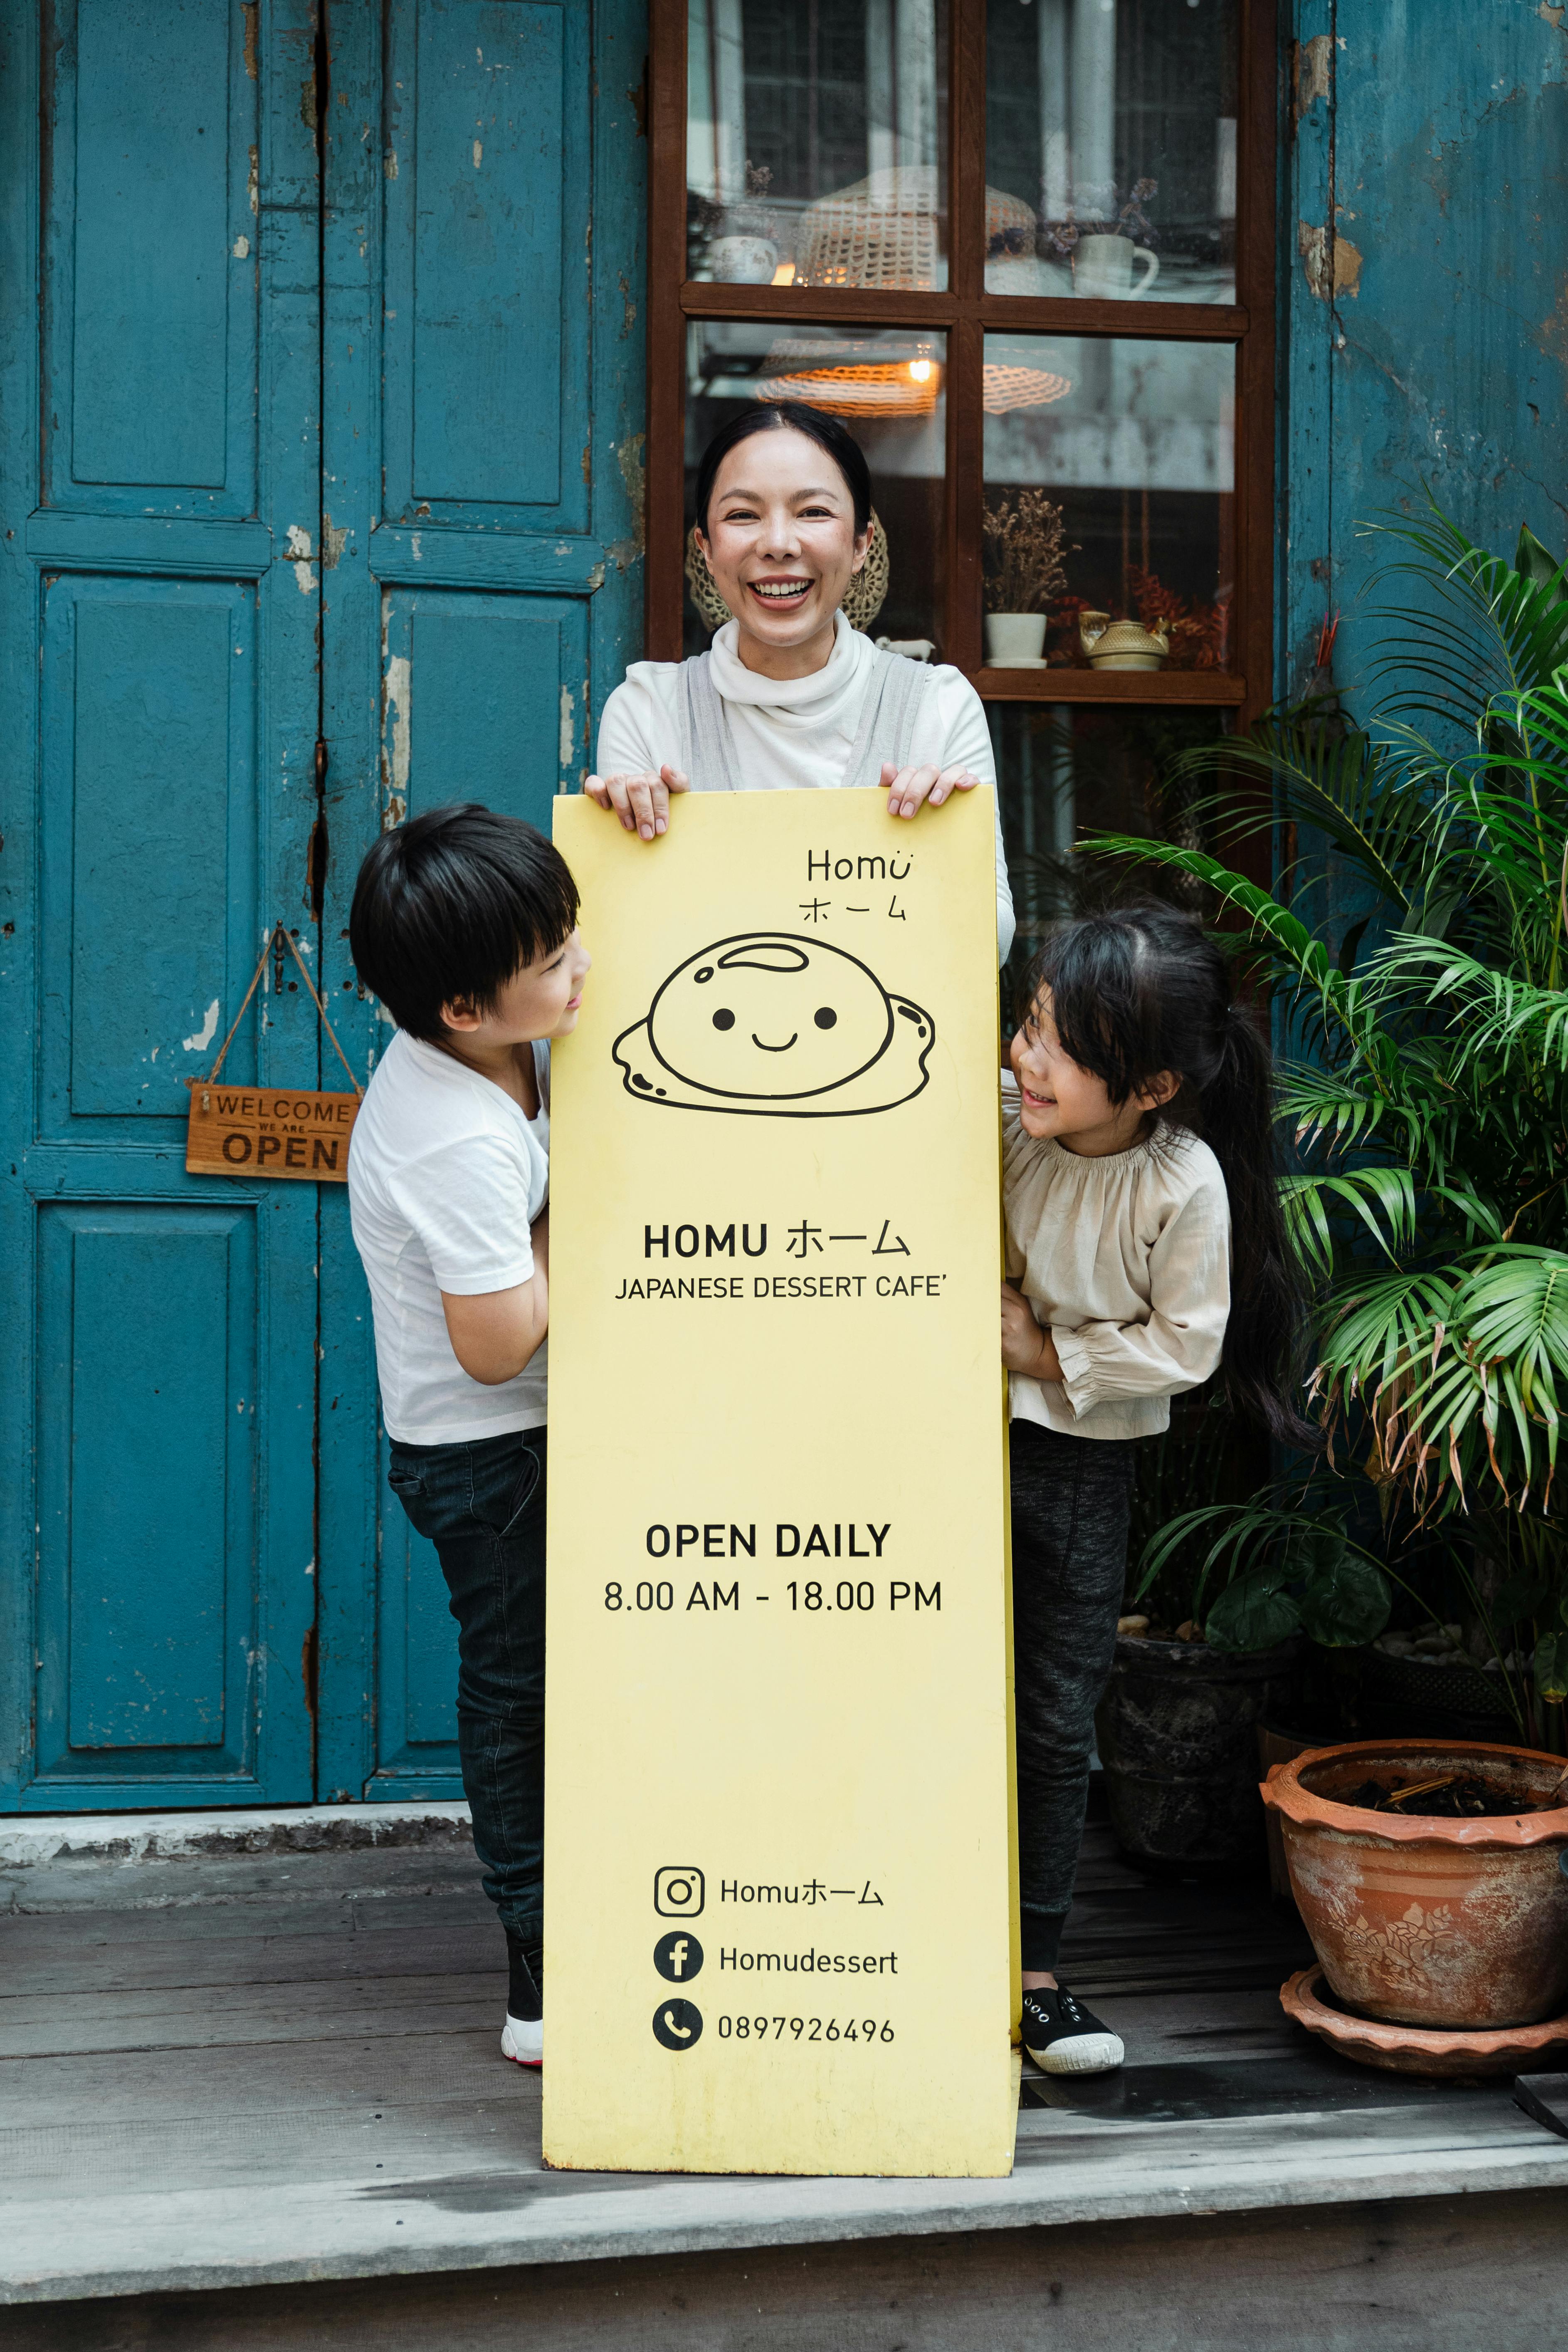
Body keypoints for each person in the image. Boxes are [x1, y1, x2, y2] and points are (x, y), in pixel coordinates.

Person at [998, 902, 1317, 2077]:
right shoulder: (999, 1118)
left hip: (1078, 1457)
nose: (1027, 1056)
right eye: (1029, 1023)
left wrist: (1044, 1354)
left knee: (1048, 1706)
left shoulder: (1183, 1185)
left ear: (1150, 1086)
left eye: (1062, 1045)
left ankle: (1032, 1974)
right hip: (943, 1435)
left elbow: (1185, 1350)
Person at [346, 804, 591, 2071]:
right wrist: (587, 1208)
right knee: (521, 1697)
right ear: (460, 1009)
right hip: (491, 1455)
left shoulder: (508, 1043)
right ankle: (539, 1958)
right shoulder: (451, 1136)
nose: (579, 973)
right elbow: (497, 1345)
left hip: (539, 1434)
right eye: (552, 965)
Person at [586, 400, 1015, 958]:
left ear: (862, 543)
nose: (779, 543)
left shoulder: (937, 704)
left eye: (813, 512)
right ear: (707, 550)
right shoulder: (648, 708)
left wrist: (942, 849)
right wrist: (618, 849)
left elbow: (993, 947)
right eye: (743, 516)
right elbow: (618, 945)